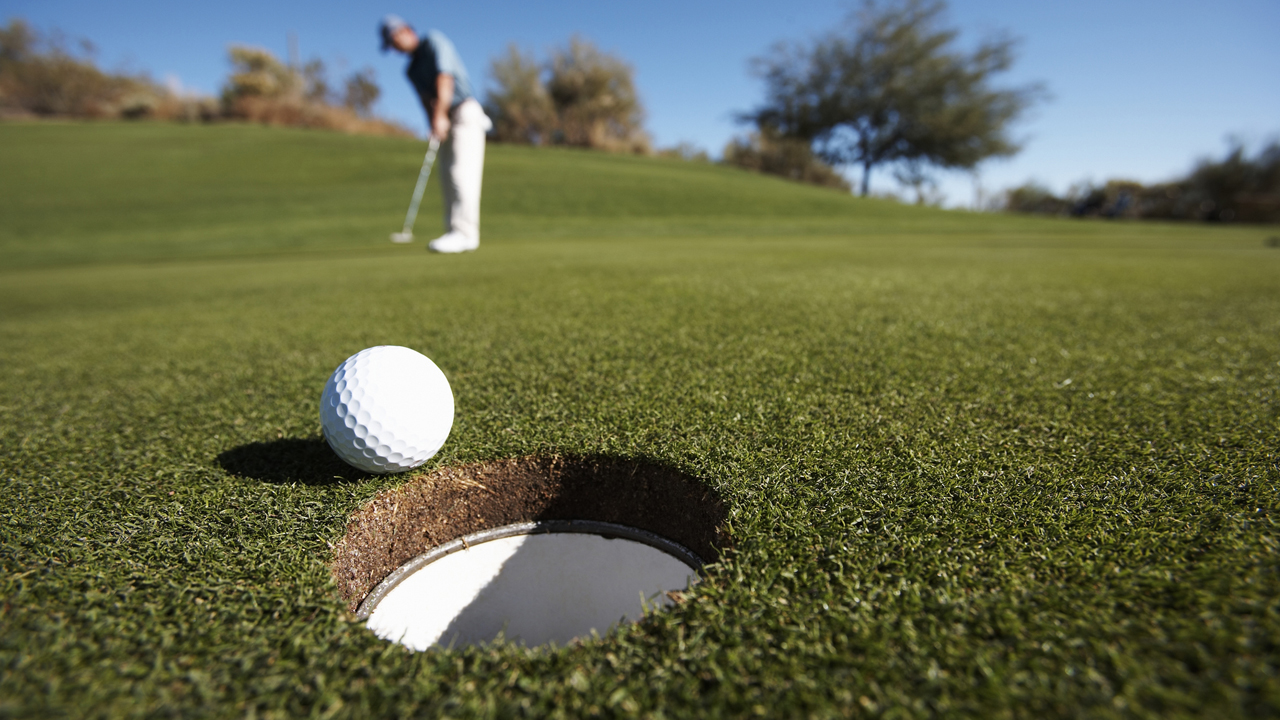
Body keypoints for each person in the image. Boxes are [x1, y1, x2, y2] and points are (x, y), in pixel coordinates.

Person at [381, 15, 492, 253]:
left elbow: (445, 78)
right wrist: (433, 123)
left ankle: (466, 234)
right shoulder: (411, 70)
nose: (395, 48)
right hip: (444, 118)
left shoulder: (433, 41)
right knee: (447, 177)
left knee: (461, 174)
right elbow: (425, 99)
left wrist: (440, 115)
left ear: (405, 31)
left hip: (464, 112)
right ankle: (454, 231)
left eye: (394, 40)